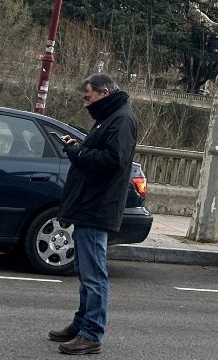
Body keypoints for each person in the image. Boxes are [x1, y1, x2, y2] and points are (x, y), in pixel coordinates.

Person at [48, 73, 139, 356]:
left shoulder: (121, 119)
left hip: (98, 205)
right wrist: (79, 146)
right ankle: (82, 324)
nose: (85, 104)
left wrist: (76, 153)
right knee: (86, 270)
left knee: (94, 272)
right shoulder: (110, 117)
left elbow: (112, 161)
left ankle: (92, 333)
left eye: (88, 97)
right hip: (91, 203)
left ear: (104, 92)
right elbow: (103, 153)